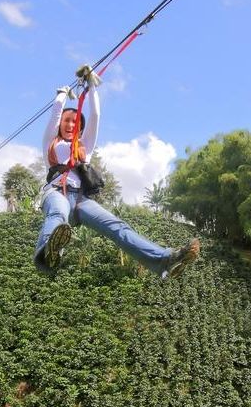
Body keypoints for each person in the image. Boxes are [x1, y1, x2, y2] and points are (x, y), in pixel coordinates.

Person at [33, 67, 199, 277]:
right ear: (60, 125)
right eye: (67, 120)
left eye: (75, 122)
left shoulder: (85, 147)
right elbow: (55, 114)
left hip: (81, 200)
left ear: (80, 130)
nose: (70, 124)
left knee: (117, 227)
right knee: (58, 212)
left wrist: (92, 86)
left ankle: (165, 260)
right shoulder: (51, 142)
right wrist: (62, 95)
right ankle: (48, 252)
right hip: (56, 192)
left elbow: (95, 115)